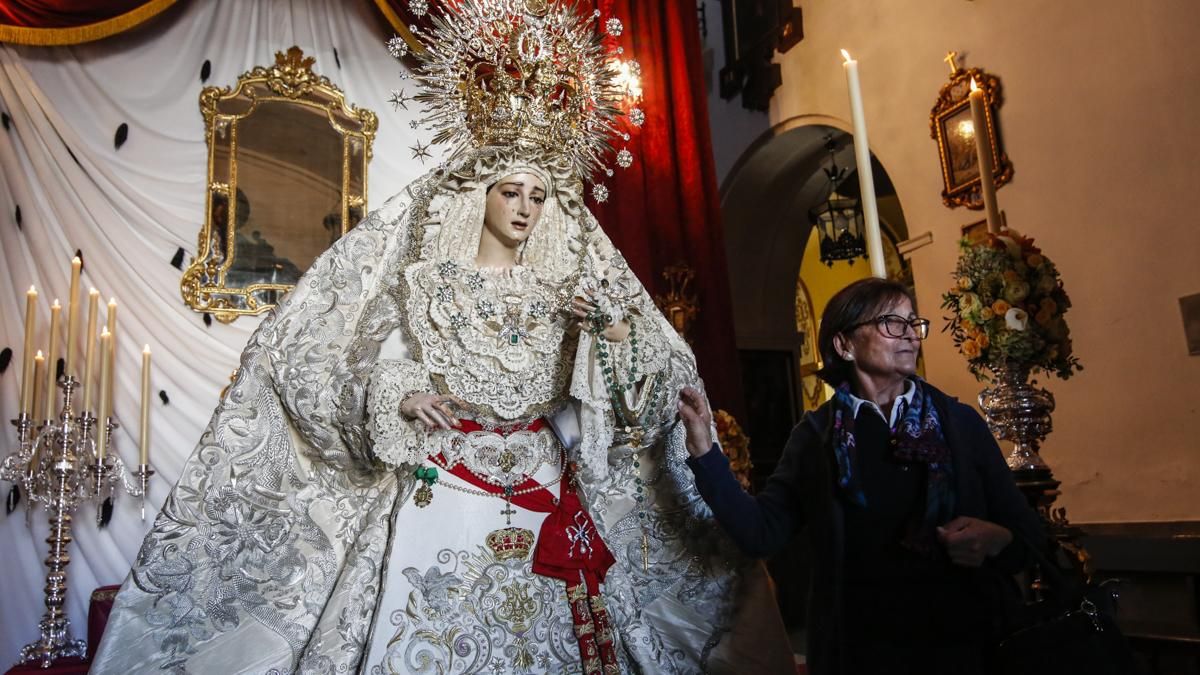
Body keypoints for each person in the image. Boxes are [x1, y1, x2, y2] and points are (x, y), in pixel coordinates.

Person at [91, 2, 794, 673]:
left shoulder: (574, 287)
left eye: (538, 196)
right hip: (446, 485)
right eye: (511, 192)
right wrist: (400, 393)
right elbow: (364, 356)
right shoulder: (430, 281)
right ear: (480, 193)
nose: (525, 208)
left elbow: (638, 398)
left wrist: (608, 336)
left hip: (547, 485)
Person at [679, 277, 1045, 675]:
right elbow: (760, 532)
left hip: (967, 646)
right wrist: (705, 454)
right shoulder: (814, 438)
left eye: (912, 323)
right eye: (891, 322)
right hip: (861, 652)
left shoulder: (958, 423)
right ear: (844, 345)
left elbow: (1029, 536)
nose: (909, 335)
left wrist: (996, 538)